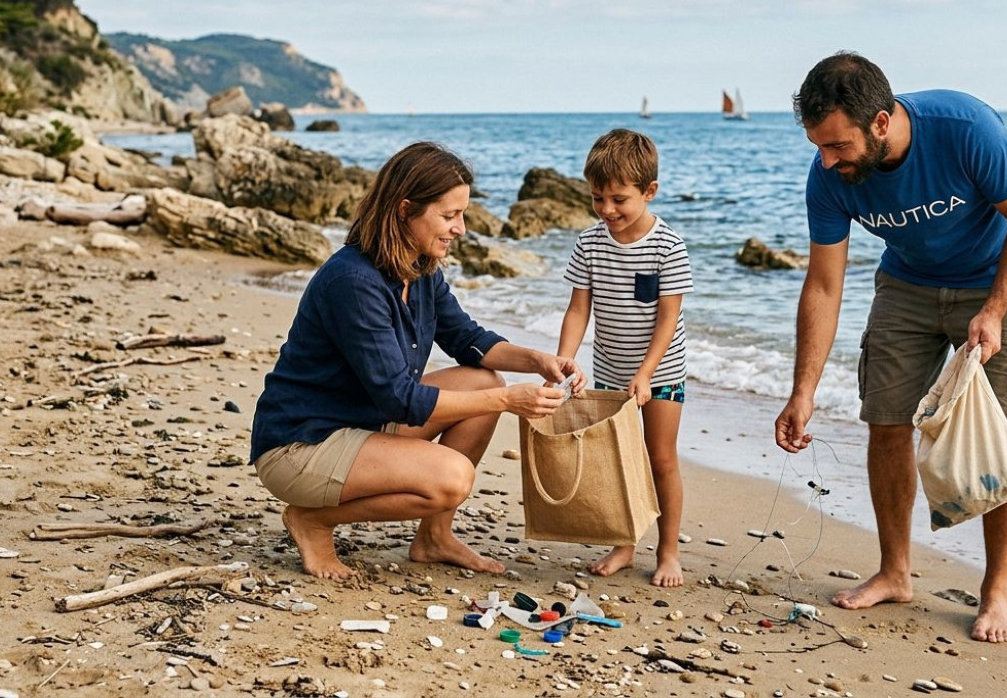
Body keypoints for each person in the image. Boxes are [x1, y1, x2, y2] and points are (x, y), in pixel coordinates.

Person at [773, 51, 1007, 643]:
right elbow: (823, 284)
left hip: (996, 276)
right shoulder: (828, 176)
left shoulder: (965, 129)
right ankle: (895, 572)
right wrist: (803, 390)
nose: (827, 160)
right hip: (907, 284)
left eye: (837, 146)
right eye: (818, 146)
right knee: (887, 420)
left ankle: (996, 591)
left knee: (1004, 436)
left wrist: (994, 311)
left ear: (879, 122)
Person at [251, 141, 582, 581]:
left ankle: (433, 538)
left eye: (462, 214)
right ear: (405, 210)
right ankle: (312, 521)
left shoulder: (420, 267)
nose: (461, 229)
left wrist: (538, 360)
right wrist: (507, 401)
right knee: (452, 479)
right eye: (449, 216)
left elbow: (467, 339)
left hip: (360, 421)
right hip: (302, 445)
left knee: (481, 377)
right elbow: (399, 398)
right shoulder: (353, 281)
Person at [555, 129, 694, 587]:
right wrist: (564, 358)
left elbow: (667, 320)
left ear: (649, 192)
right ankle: (626, 541)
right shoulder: (590, 243)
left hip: (662, 372)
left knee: (660, 458)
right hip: (612, 371)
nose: (607, 210)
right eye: (598, 199)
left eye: (619, 200)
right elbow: (579, 307)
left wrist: (646, 374)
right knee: (620, 458)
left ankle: (668, 551)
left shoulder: (667, 246)